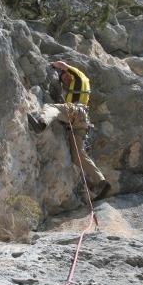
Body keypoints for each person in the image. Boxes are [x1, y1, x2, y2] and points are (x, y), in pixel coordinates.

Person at [28, 61, 111, 202]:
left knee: (50, 107)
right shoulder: (76, 88)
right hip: (81, 122)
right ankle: (102, 182)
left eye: (64, 76)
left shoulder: (79, 76)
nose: (65, 79)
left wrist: (53, 65)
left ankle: (42, 125)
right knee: (77, 154)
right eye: (62, 79)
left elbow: (62, 64)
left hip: (76, 112)